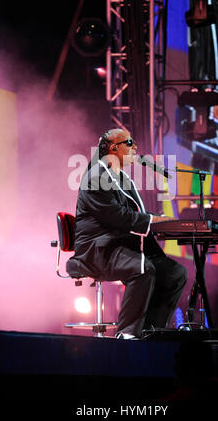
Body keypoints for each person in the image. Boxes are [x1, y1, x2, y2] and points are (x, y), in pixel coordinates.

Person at [67, 128, 187, 339]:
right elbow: (117, 217)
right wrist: (153, 220)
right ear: (114, 147)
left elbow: (135, 214)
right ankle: (127, 335)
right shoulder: (95, 177)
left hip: (118, 246)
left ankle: (150, 332)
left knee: (174, 273)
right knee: (142, 268)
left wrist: (159, 220)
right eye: (130, 143)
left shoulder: (121, 178)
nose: (136, 148)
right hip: (97, 248)